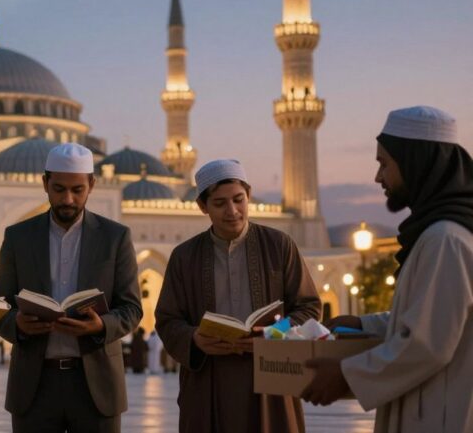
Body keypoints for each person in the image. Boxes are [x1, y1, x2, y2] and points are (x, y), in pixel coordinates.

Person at [303, 106, 473, 433]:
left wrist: (344, 375)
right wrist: (363, 323)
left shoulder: (445, 239)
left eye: (384, 164)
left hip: (440, 413)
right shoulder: (443, 233)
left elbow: (427, 343)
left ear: (416, 163)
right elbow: (430, 314)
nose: (378, 177)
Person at [155, 158, 321, 433]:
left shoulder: (278, 245)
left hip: (272, 377)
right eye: (220, 203)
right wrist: (195, 339)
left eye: (238, 200)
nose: (232, 211)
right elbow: (168, 319)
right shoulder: (185, 257)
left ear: (249, 196)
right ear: (202, 206)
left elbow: (308, 308)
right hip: (209, 380)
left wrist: (272, 334)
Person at [0, 142, 142, 433]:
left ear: (92, 185)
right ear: (45, 183)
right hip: (34, 387)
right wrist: (18, 325)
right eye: (59, 189)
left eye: (77, 190)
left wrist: (100, 326)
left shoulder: (115, 237)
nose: (68, 199)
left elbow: (132, 308)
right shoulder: (18, 237)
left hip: (96, 386)